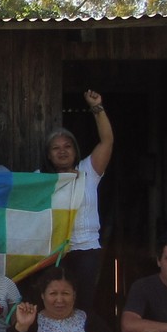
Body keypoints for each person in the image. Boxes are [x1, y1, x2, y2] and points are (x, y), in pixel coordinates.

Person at [44, 91, 115, 309]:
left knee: (83, 305)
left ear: (75, 151)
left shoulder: (88, 171)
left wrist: (97, 107)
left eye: (67, 146)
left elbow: (107, 140)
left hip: (86, 250)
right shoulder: (40, 180)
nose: (62, 151)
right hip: (53, 252)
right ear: (49, 155)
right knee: (55, 304)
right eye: (56, 148)